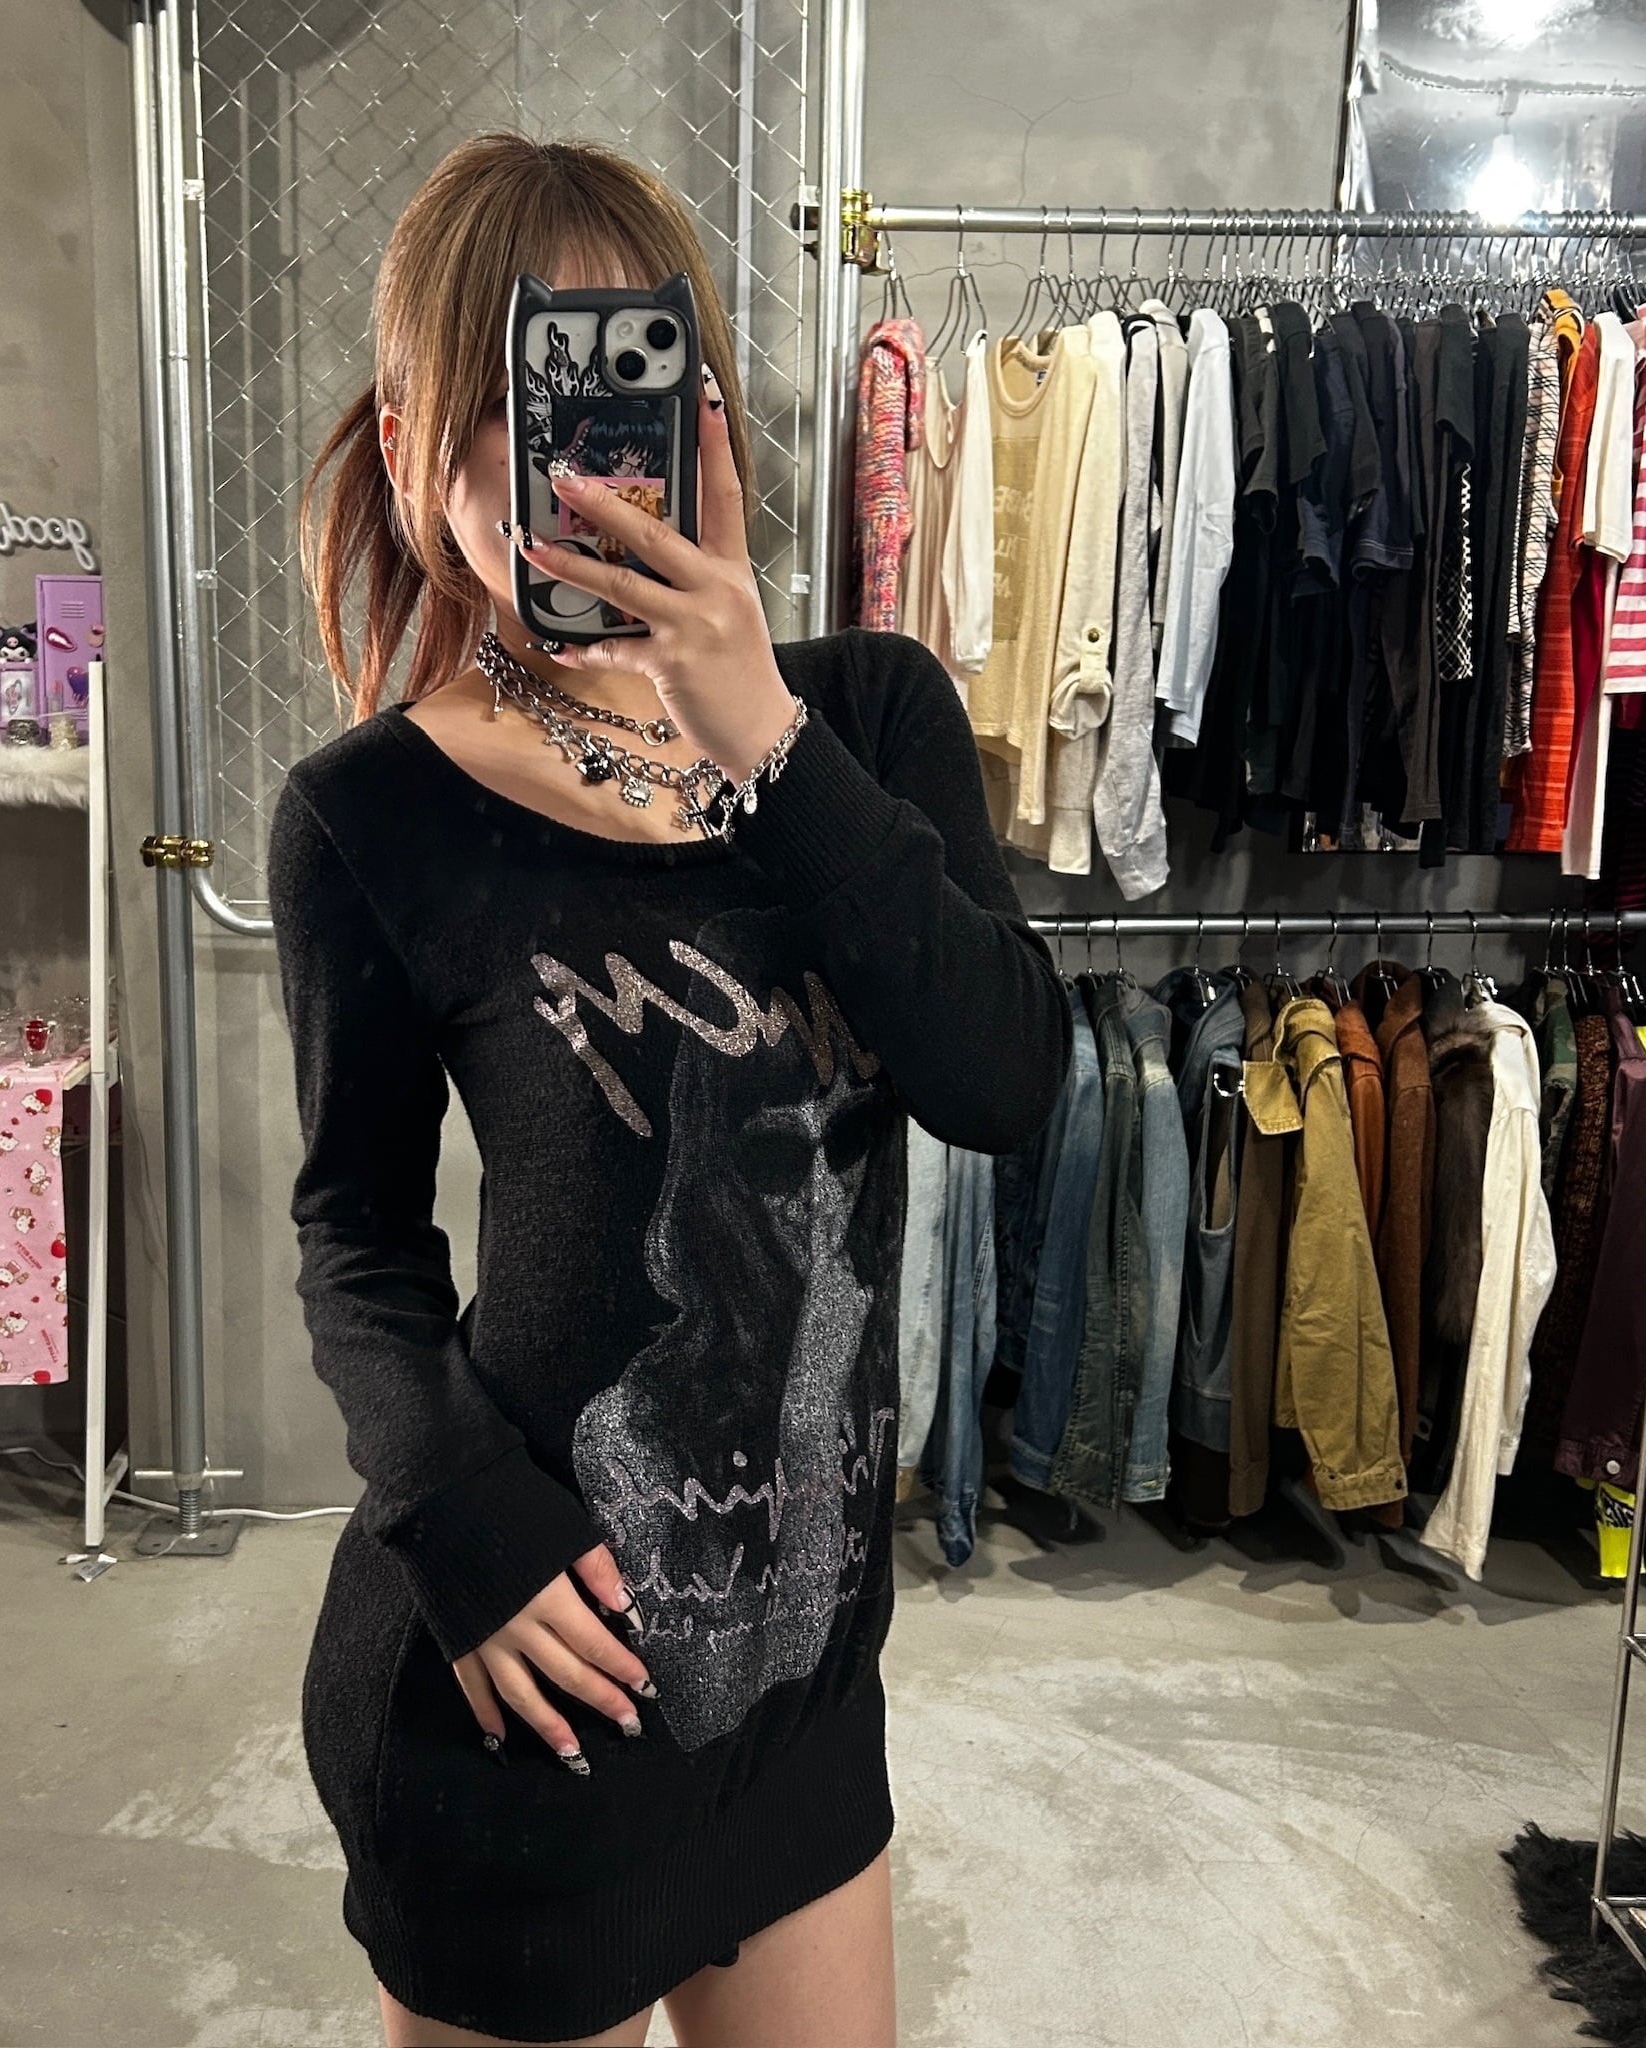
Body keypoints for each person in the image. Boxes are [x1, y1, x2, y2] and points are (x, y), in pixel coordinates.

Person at [268, 131, 1070, 2048]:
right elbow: (355, 1237)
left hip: (803, 1677)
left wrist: (761, 738)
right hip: (531, 1671)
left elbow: (1006, 1079)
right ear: (415, 445)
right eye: (522, 394)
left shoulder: (864, 717)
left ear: (704, 413)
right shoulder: (371, 813)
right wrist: (460, 1525)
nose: (585, 457)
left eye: (633, 374)